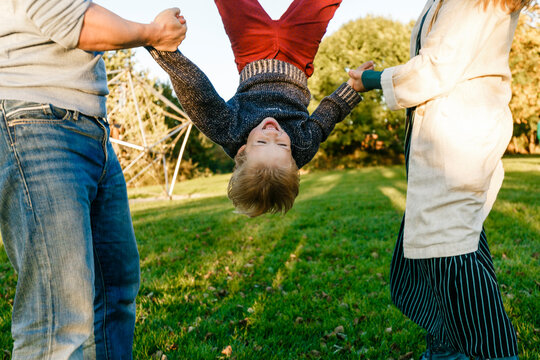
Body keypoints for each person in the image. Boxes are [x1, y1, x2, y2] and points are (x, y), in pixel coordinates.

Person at [0, 1, 186, 358]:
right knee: (57, 318)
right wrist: (153, 32)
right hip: (35, 123)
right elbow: (76, 23)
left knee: (115, 290)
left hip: (91, 130)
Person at [349, 0, 531, 358]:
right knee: (447, 244)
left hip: (458, 137)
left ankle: (491, 353)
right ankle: (448, 347)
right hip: (446, 136)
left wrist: (368, 79)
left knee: (449, 250)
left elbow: (435, 68)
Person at [148, 0, 373, 217]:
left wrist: (166, 52)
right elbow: (327, 116)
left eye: (262, 142)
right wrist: (352, 89)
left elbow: (198, 95)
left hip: (252, 48)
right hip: (298, 52)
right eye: (283, 145)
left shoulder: (230, 131)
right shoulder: (303, 146)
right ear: (294, 160)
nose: (273, 133)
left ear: (242, 151)